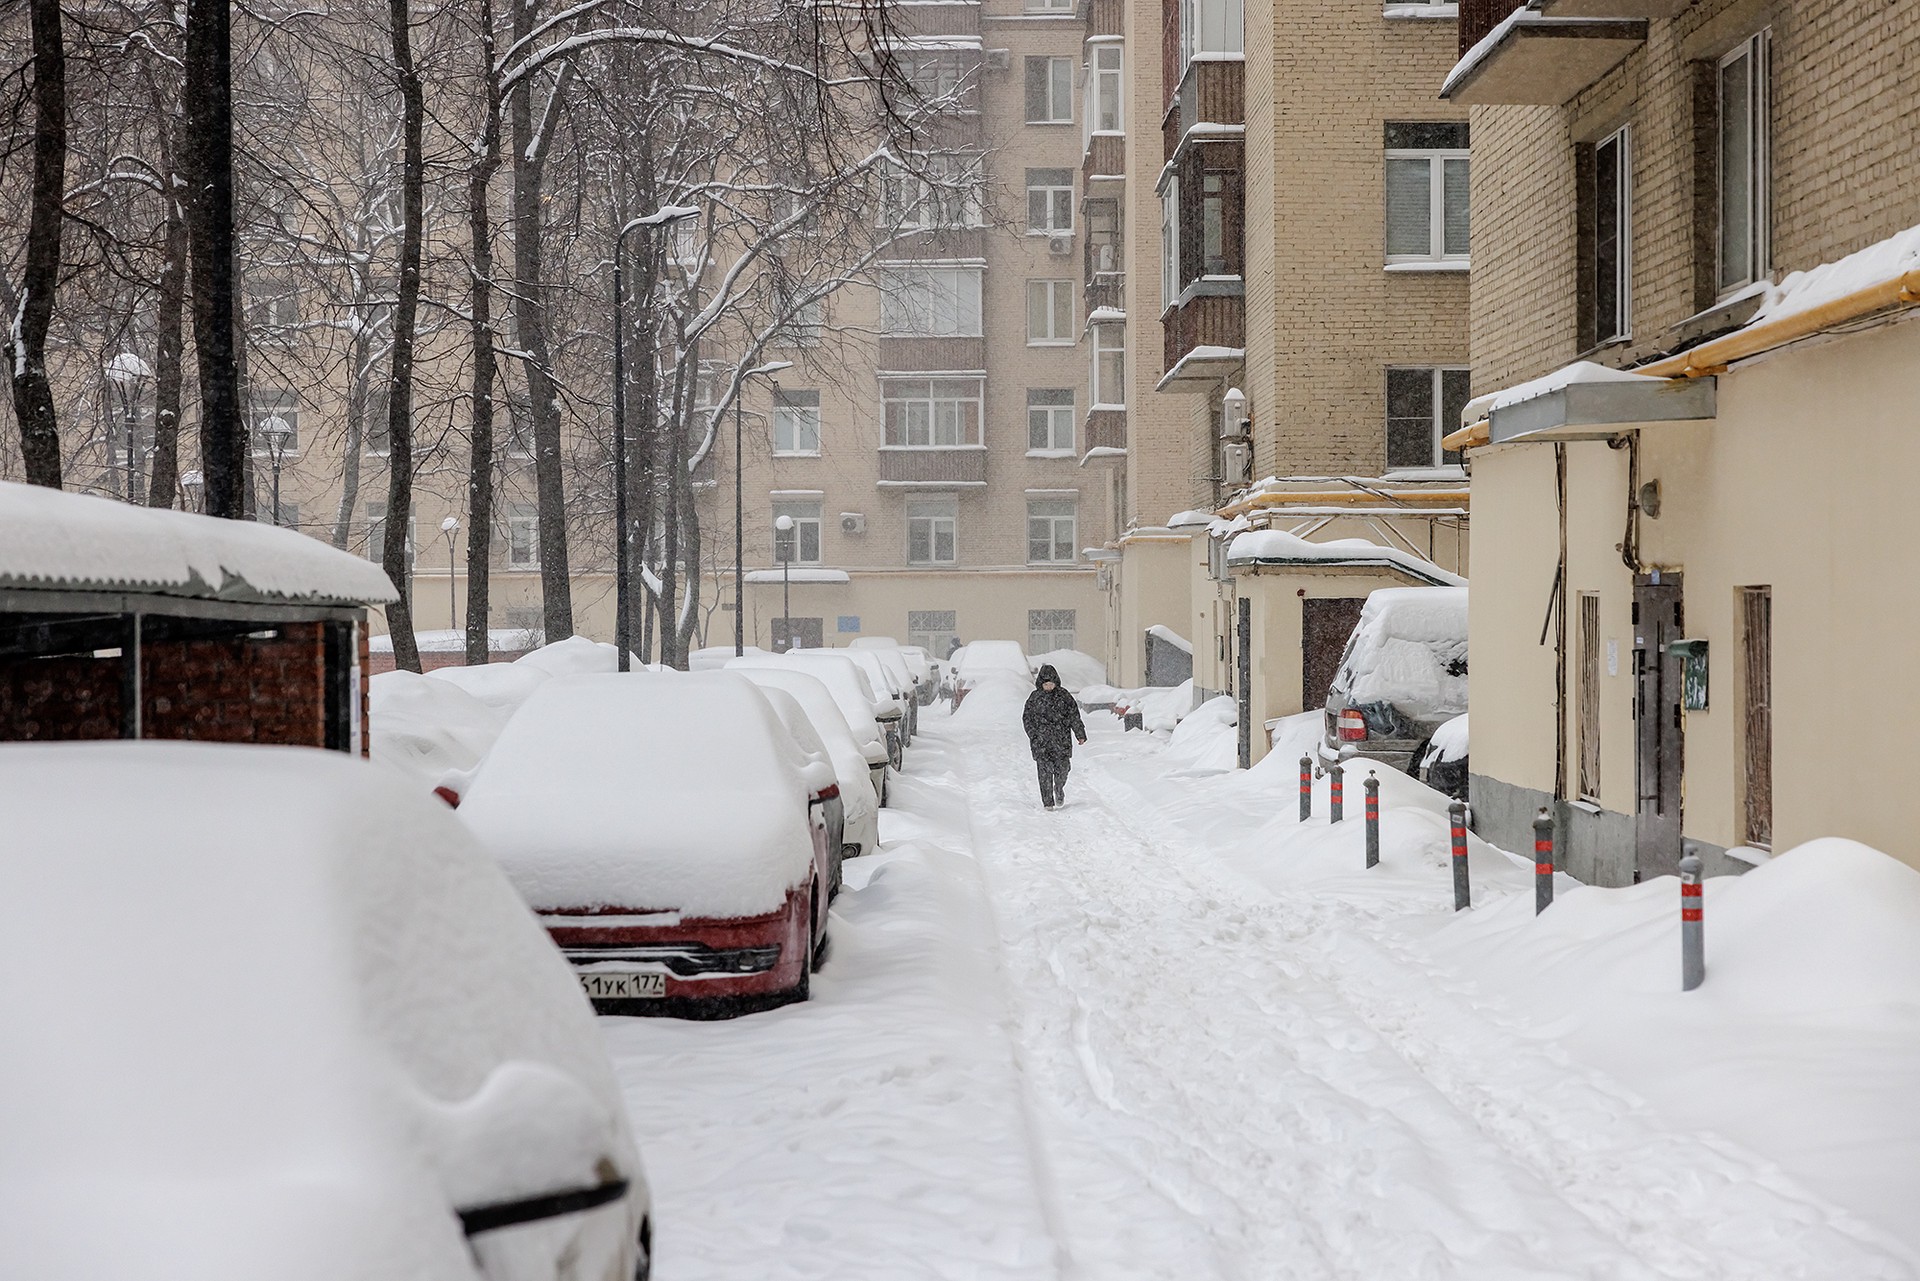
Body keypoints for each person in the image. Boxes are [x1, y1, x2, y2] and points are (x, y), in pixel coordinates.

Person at [1022, 663, 1086, 810]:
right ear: (1041, 684)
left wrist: (1080, 734)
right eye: (1046, 684)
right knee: (1044, 774)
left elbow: (1074, 716)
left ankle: (1059, 788)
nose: (1049, 687)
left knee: (1063, 770)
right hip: (1041, 744)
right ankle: (1048, 802)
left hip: (1061, 741)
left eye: (1051, 684)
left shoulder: (1064, 696)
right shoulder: (1034, 698)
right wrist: (1033, 735)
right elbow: (1027, 718)